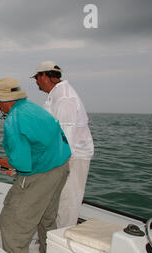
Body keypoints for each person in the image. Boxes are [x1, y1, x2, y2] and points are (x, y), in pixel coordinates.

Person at [0, 77, 71, 253]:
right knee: (46, 218)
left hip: (41, 175)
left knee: (12, 223)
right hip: (61, 167)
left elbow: (22, 164)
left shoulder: (14, 121)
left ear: (1, 99)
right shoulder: (34, 109)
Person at [31, 61, 94, 228]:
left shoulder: (65, 99)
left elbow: (66, 139)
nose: (36, 82)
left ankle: (61, 240)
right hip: (60, 155)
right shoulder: (56, 94)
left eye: (37, 78)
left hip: (72, 158)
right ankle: (50, 237)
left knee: (67, 201)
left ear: (45, 75)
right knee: (56, 198)